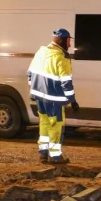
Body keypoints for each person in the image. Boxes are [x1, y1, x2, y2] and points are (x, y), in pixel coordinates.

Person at [27, 28, 80, 164]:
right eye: (68, 41)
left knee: (44, 123)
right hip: (54, 99)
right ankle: (55, 156)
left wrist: (34, 90)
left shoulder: (41, 52)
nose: (69, 45)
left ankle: (43, 154)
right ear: (62, 40)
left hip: (40, 98)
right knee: (56, 125)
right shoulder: (61, 57)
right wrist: (73, 101)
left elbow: (29, 74)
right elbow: (66, 83)